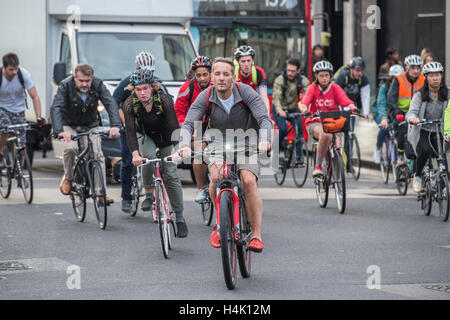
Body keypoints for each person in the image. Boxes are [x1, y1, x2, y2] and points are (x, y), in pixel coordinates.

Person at [177, 57, 273, 252]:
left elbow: (264, 118)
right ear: (212, 77)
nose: (222, 78)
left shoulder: (245, 92)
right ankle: (220, 223)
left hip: (247, 140)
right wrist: (185, 144)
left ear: (233, 77)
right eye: (218, 74)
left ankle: (256, 235)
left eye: (226, 74)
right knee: (216, 178)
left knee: (247, 181)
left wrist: (265, 140)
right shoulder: (205, 96)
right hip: (218, 142)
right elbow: (188, 123)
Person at [123, 68, 188, 237]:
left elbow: (175, 127)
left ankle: (180, 218)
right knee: (148, 158)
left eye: (145, 88)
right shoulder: (130, 104)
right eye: (138, 89)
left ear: (152, 87)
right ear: (133, 90)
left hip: (167, 137)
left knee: (171, 173)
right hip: (145, 136)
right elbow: (130, 131)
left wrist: (178, 149)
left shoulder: (164, 100)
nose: (142, 93)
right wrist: (135, 154)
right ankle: (149, 193)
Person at [50, 64, 120, 203]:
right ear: (75, 77)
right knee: (71, 148)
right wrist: (60, 131)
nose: (85, 84)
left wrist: (115, 126)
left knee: (97, 154)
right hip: (69, 124)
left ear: (91, 78)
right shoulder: (65, 85)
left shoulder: (97, 84)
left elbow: (110, 103)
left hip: (90, 125)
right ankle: (68, 178)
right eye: (81, 81)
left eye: (87, 81)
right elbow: (56, 107)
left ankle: (101, 194)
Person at [113, 51, 156, 214]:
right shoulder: (128, 82)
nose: (149, 75)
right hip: (130, 127)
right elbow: (115, 101)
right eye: (145, 71)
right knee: (127, 162)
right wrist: (124, 122)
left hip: (149, 129)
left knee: (154, 159)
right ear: (137, 67)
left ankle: (152, 192)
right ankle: (126, 197)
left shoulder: (156, 82)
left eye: (151, 72)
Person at [299, 60, 355, 178]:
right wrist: (304, 110)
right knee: (326, 135)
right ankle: (318, 166)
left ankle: (338, 178)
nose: (324, 78)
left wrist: (351, 107)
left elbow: (346, 101)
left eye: (326, 75)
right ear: (316, 76)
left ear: (331, 76)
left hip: (333, 123)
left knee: (338, 145)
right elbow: (304, 102)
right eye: (321, 75)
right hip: (315, 122)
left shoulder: (335, 88)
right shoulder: (312, 88)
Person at [174, 56, 213, 203]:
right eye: (199, 75)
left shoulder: (218, 85)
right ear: (194, 75)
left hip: (216, 123)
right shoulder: (187, 88)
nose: (202, 78)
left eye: (205, 74)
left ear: (211, 73)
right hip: (197, 126)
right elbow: (179, 113)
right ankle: (201, 189)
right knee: (199, 150)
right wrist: (189, 130)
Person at [406, 62, 448, 193]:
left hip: (441, 130)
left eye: (438, 75)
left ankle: (443, 184)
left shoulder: (447, 94)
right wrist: (413, 119)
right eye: (432, 76)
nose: (435, 78)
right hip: (424, 129)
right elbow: (412, 112)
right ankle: (417, 176)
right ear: (426, 78)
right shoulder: (420, 95)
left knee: (442, 156)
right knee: (425, 150)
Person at [0, 53, 45, 166]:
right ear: (4, 67)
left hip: (19, 109)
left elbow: (34, 96)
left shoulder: (23, 75)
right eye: (11, 70)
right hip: (2, 107)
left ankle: (18, 168)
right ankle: (0, 151)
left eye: (16, 69)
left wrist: (38, 116)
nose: (14, 72)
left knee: (22, 142)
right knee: (4, 128)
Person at [387, 54, 425, 166]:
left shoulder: (424, 79)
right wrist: (396, 112)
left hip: (418, 113)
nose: (416, 71)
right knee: (401, 132)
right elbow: (391, 99)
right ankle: (400, 156)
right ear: (406, 68)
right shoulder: (399, 79)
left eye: (418, 68)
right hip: (401, 113)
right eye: (413, 68)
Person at [272, 58, 310, 166]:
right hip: (279, 108)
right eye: (288, 70)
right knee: (283, 130)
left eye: (293, 71)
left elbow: (309, 94)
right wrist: (280, 111)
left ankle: (299, 158)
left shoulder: (302, 80)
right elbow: (276, 98)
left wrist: (307, 108)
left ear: (298, 71)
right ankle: (275, 156)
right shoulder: (280, 80)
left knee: (299, 130)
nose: (290, 73)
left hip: (293, 108)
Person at [371, 64, 404, 163]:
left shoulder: (403, 87)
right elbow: (381, 104)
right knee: (384, 128)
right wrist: (384, 118)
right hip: (380, 112)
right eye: (394, 77)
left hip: (393, 113)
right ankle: (378, 148)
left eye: (399, 77)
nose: (396, 80)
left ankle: (399, 158)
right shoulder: (384, 87)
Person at [233, 45, 270, 113]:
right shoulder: (233, 72)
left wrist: (267, 117)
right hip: (237, 104)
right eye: (243, 61)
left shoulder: (258, 72)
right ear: (238, 62)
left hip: (252, 103)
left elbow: (264, 96)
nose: (246, 64)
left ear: (252, 60)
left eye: (248, 61)